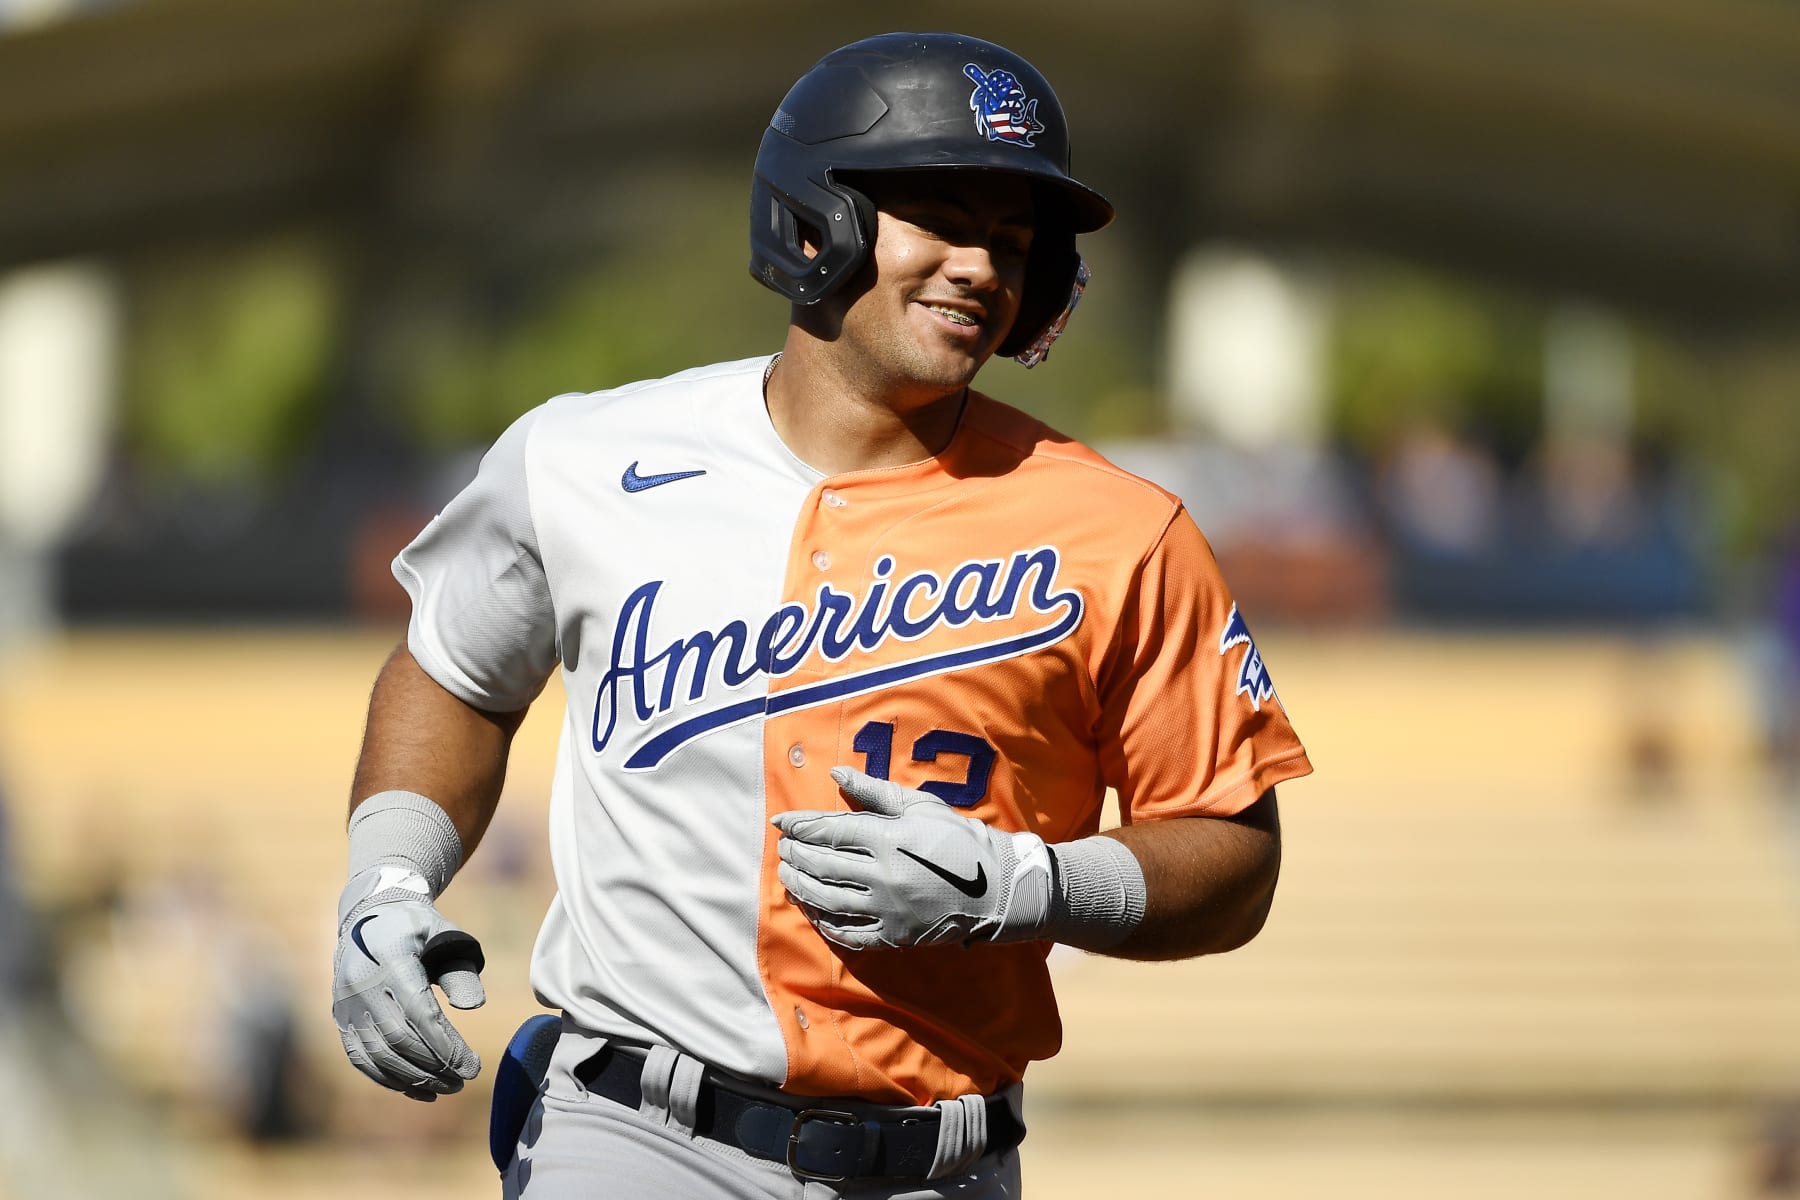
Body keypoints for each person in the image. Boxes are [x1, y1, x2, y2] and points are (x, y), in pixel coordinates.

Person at [331, 31, 1313, 1200]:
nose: (981, 268)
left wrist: (1028, 885)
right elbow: (455, 674)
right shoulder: (582, 457)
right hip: (632, 1134)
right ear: (814, 222)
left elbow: (1234, 855)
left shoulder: (1123, 529)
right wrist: (385, 885)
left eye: (1011, 243)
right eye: (942, 220)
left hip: (943, 1160)